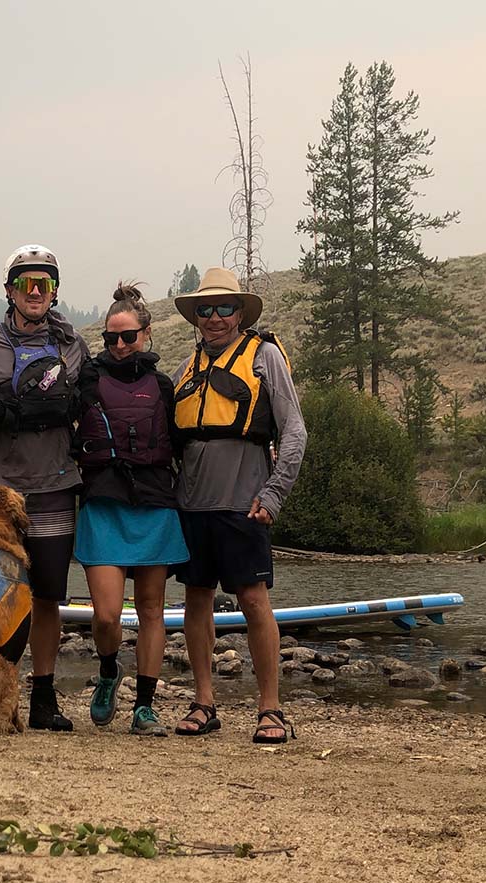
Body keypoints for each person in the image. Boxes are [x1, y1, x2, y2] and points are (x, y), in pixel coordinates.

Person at [169, 266, 307, 743]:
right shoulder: (187, 367)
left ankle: (271, 709)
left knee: (253, 600)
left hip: (244, 503)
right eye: (205, 310)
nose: (214, 318)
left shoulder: (264, 355)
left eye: (224, 308)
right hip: (193, 506)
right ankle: (203, 702)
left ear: (240, 313)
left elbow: (294, 431)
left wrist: (274, 494)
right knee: (196, 600)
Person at [0, 245, 89, 731]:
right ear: (9, 289)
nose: (36, 292)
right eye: (27, 283)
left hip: (56, 486)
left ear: (55, 292)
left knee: (48, 597)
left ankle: (43, 699)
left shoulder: (73, 345)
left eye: (45, 284)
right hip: (0, 494)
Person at [74, 282, 188, 737]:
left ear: (146, 334)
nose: (119, 346)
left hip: (156, 502)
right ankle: (107, 670)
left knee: (151, 611)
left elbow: (181, 444)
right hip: (104, 502)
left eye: (128, 337)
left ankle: (144, 706)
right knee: (105, 615)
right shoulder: (86, 378)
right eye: (111, 338)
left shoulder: (163, 385)